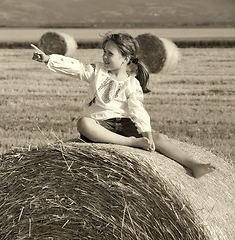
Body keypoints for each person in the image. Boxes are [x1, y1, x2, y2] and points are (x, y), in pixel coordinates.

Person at [31, 31, 215, 178]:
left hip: (125, 124)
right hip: (100, 125)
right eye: (104, 52)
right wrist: (49, 59)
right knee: (84, 123)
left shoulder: (132, 83)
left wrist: (147, 133)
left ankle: (192, 164)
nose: (104, 57)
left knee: (159, 139)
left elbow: (137, 110)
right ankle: (131, 143)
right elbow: (76, 67)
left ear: (125, 59)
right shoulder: (96, 72)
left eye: (109, 53)